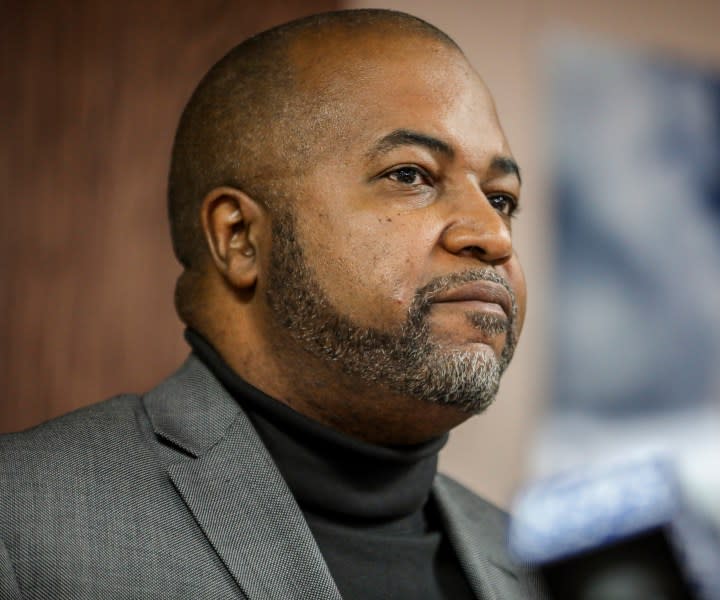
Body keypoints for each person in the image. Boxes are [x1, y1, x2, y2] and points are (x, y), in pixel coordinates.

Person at [0, 9, 546, 600]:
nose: (494, 235)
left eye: (502, 198)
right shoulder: (22, 519)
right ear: (239, 237)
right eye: (410, 174)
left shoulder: (533, 566)